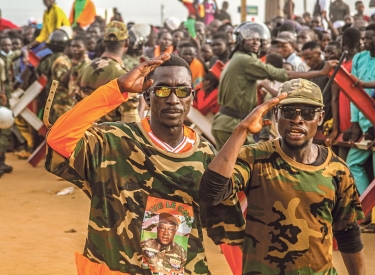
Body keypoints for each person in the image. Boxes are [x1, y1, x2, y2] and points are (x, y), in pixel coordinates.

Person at [45, 53, 243, 274]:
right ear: (147, 96)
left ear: (191, 97)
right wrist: (118, 88)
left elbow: (229, 228)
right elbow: (59, 139)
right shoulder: (113, 141)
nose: (173, 99)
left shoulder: (205, 154)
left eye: (182, 91)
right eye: (163, 90)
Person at [200, 79, 366, 275]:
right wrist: (241, 130)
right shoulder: (254, 158)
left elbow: (348, 233)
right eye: (288, 111)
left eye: (308, 113)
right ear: (276, 114)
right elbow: (211, 193)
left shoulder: (337, 169)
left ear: (320, 117)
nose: (297, 119)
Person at [211, 21, 337, 150]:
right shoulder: (245, 60)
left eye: (258, 39)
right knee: (252, 162)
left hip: (226, 123)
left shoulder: (239, 57)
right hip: (233, 123)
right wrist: (321, 72)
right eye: (250, 39)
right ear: (241, 40)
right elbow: (281, 74)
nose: (255, 42)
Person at [343, 24, 375, 198]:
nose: (365, 41)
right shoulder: (359, 58)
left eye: (370, 38)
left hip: (374, 123)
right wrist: (354, 123)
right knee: (352, 163)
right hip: (363, 124)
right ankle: (367, 208)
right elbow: (353, 93)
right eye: (365, 38)